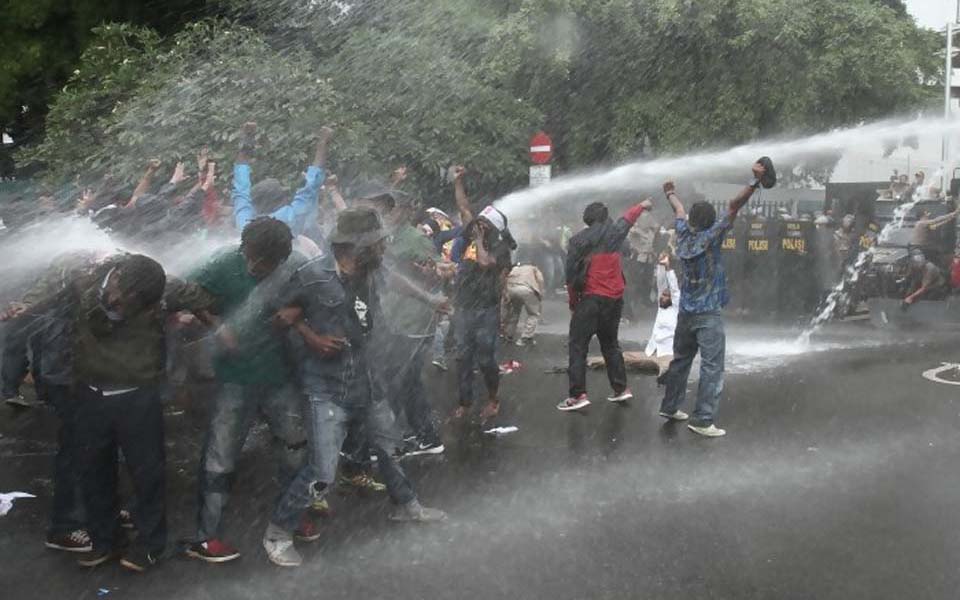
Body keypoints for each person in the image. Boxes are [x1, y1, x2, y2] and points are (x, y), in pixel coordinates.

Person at [264, 208, 446, 568]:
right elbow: (279, 317)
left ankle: (406, 506)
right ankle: (277, 533)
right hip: (325, 384)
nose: (383, 247)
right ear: (355, 246)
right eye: (377, 242)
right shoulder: (312, 276)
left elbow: (395, 281)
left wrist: (431, 300)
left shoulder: (372, 270)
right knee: (322, 470)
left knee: (388, 446)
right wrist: (312, 337)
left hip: (367, 375)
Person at [58, 254, 214, 571]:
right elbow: (49, 289)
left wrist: (207, 319)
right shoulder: (86, 277)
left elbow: (205, 294)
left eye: (133, 304)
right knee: (93, 472)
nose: (120, 306)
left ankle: (151, 545)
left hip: (137, 399)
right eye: (120, 298)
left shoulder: (162, 288)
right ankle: (105, 540)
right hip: (90, 395)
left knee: (148, 475)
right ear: (114, 276)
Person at [184, 218, 311, 564]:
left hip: (279, 375)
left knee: (296, 447)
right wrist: (217, 325)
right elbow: (187, 292)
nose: (254, 266)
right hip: (236, 377)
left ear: (281, 260)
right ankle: (206, 537)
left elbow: (318, 295)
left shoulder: (298, 267)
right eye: (250, 257)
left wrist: (296, 310)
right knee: (220, 454)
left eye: (263, 262)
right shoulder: (224, 261)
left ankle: (291, 514)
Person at [657, 161, 768, 437]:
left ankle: (670, 406)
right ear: (709, 221)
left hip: (686, 312)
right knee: (712, 366)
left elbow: (679, 210)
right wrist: (754, 182)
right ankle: (703, 419)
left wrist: (670, 193)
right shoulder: (711, 237)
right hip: (708, 314)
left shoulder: (683, 234)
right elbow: (733, 206)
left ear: (692, 220)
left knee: (681, 360)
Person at [558, 197, 654, 411]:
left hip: (591, 299)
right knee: (611, 345)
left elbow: (571, 278)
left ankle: (578, 394)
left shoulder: (577, 241)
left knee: (577, 345)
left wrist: (574, 303)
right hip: (614, 301)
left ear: (587, 219)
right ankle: (621, 389)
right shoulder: (614, 234)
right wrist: (642, 205)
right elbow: (626, 221)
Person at [449, 165, 515, 422]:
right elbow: (464, 209)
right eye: (478, 222)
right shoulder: (471, 232)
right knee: (462, 356)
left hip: (486, 308)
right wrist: (458, 182)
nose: (477, 225)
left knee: (486, 358)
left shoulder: (500, 248)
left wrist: (478, 241)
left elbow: (487, 263)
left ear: (493, 227)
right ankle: (465, 402)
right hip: (465, 306)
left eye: (483, 223)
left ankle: (492, 398)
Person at [232, 122, 332, 236]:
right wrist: (323, 144)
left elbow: (241, 188)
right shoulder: (290, 218)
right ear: (280, 201)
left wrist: (247, 140)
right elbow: (311, 185)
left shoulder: (244, 222)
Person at [644, 253, 680, 379]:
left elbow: (674, 289)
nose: (662, 298)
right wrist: (661, 264)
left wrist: (669, 268)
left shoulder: (675, 307)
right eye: (662, 295)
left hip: (667, 352)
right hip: (652, 350)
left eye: (666, 296)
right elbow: (661, 283)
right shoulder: (661, 307)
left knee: (665, 371)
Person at [503, 263, 544, 346]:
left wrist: (505, 293)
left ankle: (508, 335)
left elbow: (505, 278)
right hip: (526, 289)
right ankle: (525, 338)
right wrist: (540, 293)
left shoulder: (515, 268)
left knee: (514, 312)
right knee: (533, 314)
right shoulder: (534, 268)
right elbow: (540, 280)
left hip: (511, 288)